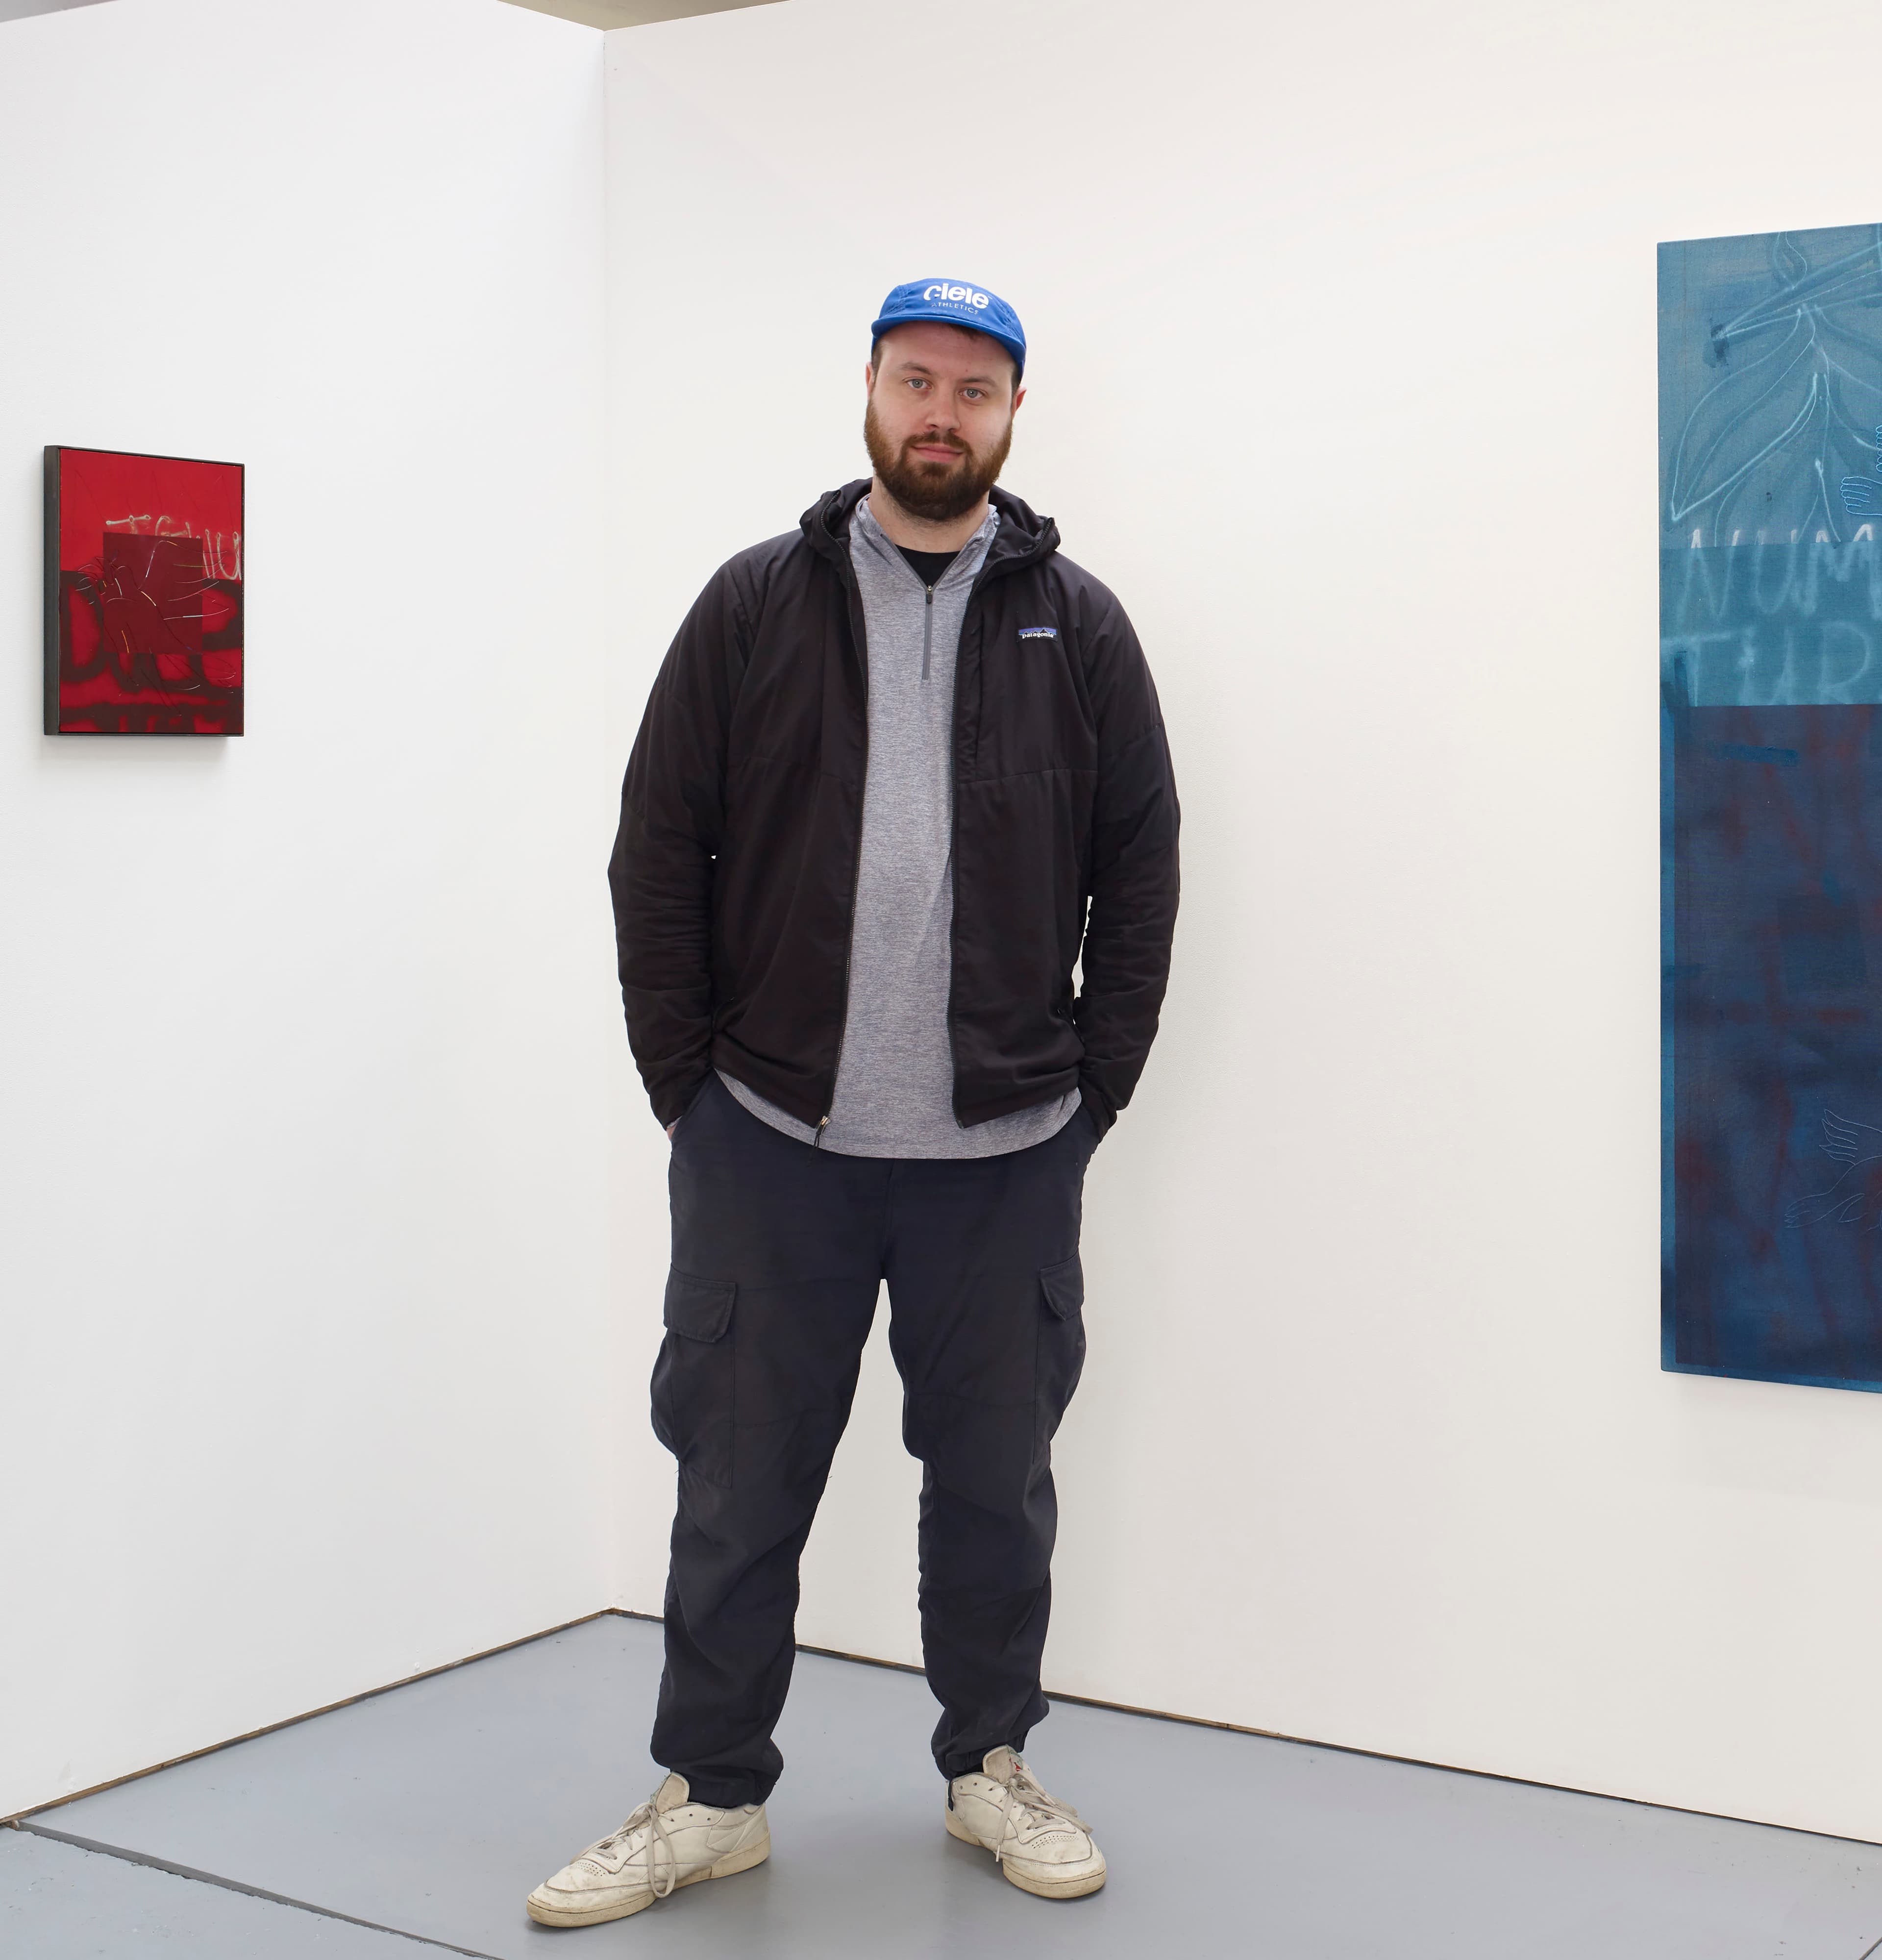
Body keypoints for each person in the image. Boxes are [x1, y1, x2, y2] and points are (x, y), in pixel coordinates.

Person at [527, 278, 1180, 1929]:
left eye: (973, 387)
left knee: (994, 1491)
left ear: (1015, 414)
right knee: (737, 1490)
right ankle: (713, 1797)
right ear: (870, 394)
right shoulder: (756, 605)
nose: (941, 412)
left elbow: (1143, 866)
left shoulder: (1079, 623)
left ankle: (990, 1770)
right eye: (915, 381)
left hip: (1006, 1156)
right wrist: (689, 1088)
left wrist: (1093, 1091)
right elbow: (655, 848)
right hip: (774, 1150)